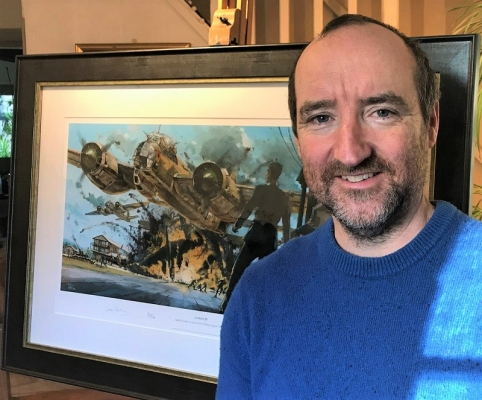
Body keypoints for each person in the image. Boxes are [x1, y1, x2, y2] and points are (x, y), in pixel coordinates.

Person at [217, 14, 482, 399]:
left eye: (381, 112)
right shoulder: (258, 295)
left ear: (431, 123)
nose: (350, 153)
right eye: (321, 118)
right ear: (298, 140)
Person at [219, 160, 291, 312]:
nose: (266, 174)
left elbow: (249, 207)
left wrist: (238, 224)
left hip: (255, 235)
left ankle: (227, 304)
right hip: (269, 239)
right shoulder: (284, 198)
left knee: (238, 270)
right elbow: (286, 224)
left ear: (270, 173)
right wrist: (286, 243)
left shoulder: (261, 189)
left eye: (267, 171)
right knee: (266, 277)